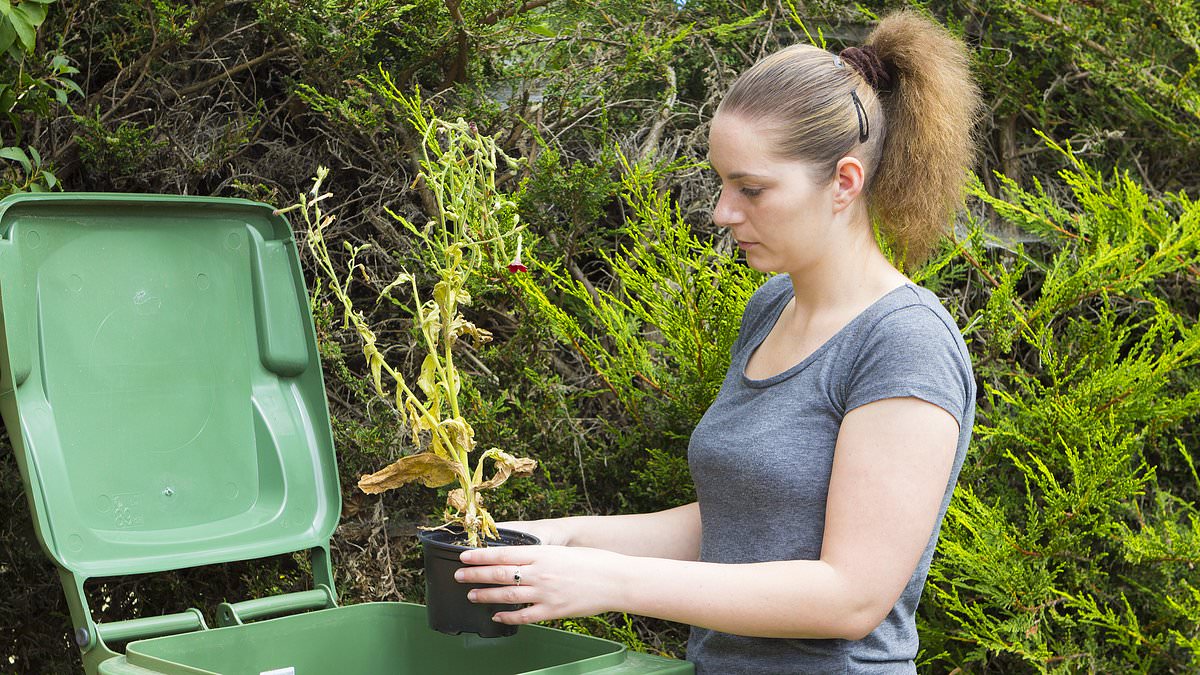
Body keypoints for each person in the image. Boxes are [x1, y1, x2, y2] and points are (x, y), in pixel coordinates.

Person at [455, 10, 981, 673]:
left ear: (844, 183)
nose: (722, 211)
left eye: (751, 188)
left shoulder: (904, 343)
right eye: (722, 180)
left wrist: (610, 581)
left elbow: (850, 597)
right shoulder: (771, 310)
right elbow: (738, 523)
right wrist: (560, 538)